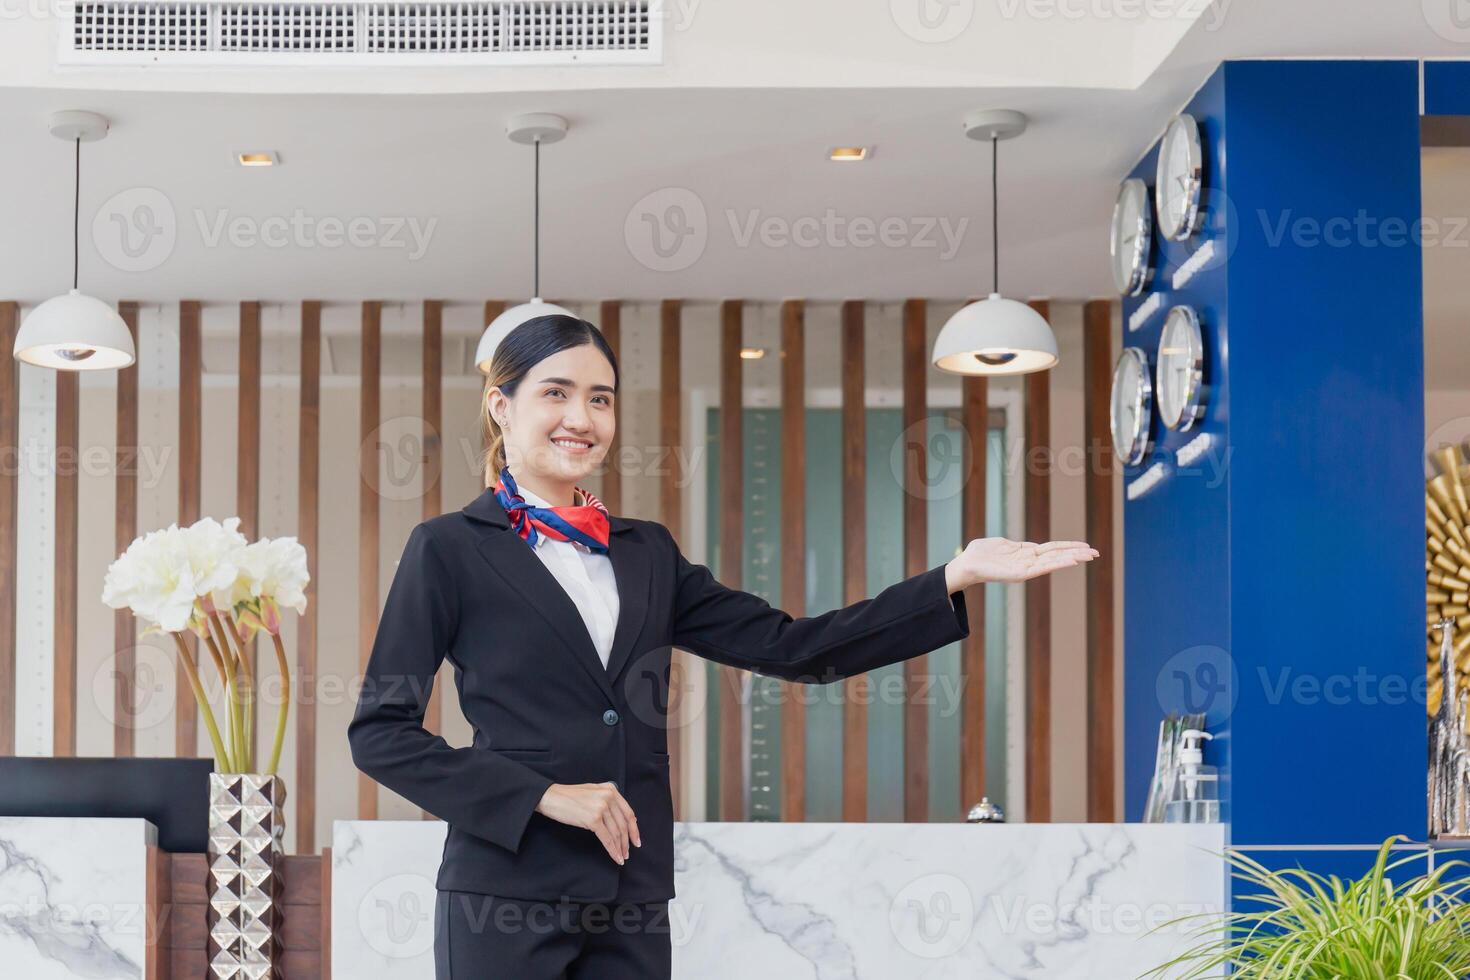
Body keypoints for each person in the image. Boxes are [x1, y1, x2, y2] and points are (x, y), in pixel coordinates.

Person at [347, 313, 1097, 979]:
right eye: (556, 392)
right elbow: (381, 735)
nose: (582, 416)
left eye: (600, 398)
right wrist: (542, 795)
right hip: (503, 896)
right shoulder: (447, 548)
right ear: (500, 406)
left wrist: (953, 575)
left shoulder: (647, 553)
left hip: (630, 897)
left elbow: (796, 646)